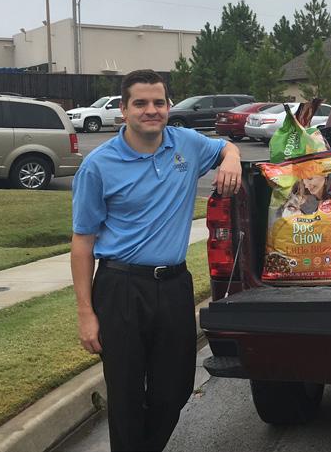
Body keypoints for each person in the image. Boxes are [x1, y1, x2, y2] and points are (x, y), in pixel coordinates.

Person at [70, 69, 241, 452]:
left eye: (159, 102)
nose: (151, 110)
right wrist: (85, 313)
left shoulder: (186, 144)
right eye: (141, 103)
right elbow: (82, 242)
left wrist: (231, 158)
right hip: (120, 288)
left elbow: (224, 147)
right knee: (126, 395)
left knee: (174, 389)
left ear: (168, 105)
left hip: (174, 286)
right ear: (124, 109)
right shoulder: (99, 165)